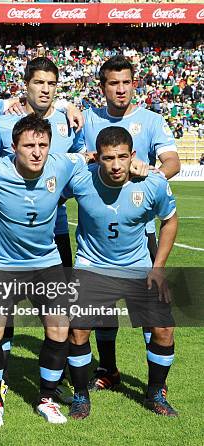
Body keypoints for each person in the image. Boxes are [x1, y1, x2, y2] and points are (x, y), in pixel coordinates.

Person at [0, 114, 89, 425]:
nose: (37, 151)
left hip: (45, 261)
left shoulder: (61, 164)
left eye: (43, 144)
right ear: (13, 147)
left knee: (59, 328)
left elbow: (90, 159)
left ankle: (46, 398)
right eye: (29, 145)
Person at [74, 56, 180, 393]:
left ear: (134, 84)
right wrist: (65, 108)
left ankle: (156, 386)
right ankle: (108, 369)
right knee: (101, 312)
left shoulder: (150, 120)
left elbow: (173, 162)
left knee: (152, 315)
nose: (121, 89)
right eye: (113, 83)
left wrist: (150, 176)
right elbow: (73, 159)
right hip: (98, 240)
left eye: (126, 83)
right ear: (102, 87)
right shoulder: (87, 119)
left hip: (140, 233)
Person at [63, 126, 178, 418]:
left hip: (138, 266)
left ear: (133, 156)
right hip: (92, 266)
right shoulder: (80, 178)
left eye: (122, 157)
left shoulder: (151, 183)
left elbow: (170, 220)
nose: (116, 165)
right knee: (77, 331)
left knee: (164, 329)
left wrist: (158, 268)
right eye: (108, 158)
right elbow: (47, 191)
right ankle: (80, 396)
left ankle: (155, 393)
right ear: (96, 158)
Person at [0, 57, 81, 401]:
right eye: (39, 82)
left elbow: (80, 163)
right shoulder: (4, 121)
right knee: (0, 314)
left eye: (51, 84)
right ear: (25, 84)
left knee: (60, 315)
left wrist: (70, 106)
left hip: (53, 231)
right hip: (8, 238)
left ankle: (59, 380)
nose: (45, 89)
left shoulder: (69, 120)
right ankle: (0, 377)